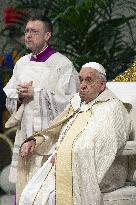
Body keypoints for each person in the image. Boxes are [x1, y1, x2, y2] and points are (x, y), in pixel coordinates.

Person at [19, 62, 131, 205]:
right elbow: (56, 129)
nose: (82, 85)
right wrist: (36, 140)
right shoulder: (77, 103)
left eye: (89, 80)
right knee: (30, 194)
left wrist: (67, 156)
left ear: (102, 85)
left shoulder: (113, 107)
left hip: (101, 171)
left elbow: (107, 145)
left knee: (53, 197)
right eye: (81, 80)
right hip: (65, 165)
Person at [3, 14, 79, 199]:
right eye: (27, 31)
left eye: (34, 31)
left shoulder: (62, 65)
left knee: (44, 193)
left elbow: (71, 103)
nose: (28, 35)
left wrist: (36, 94)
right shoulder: (21, 63)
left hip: (49, 139)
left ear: (47, 36)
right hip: (24, 135)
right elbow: (10, 96)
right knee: (23, 188)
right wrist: (19, 97)